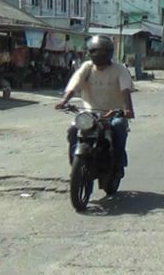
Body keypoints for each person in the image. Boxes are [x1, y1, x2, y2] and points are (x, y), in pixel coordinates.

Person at [55, 35, 135, 175]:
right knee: (73, 130)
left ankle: (118, 163)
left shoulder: (119, 69)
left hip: (114, 113)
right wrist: (64, 101)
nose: (100, 55)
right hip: (90, 115)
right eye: (96, 51)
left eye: (103, 52)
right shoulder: (87, 67)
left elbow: (125, 90)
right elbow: (74, 86)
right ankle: (75, 162)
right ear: (90, 53)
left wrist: (128, 109)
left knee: (118, 127)